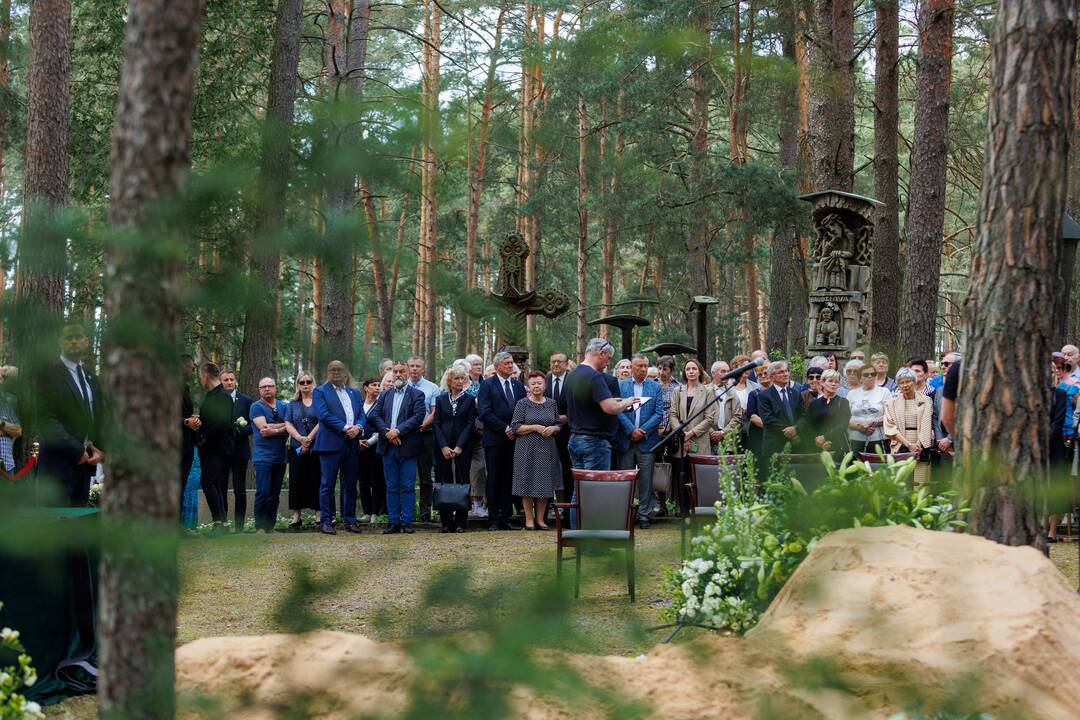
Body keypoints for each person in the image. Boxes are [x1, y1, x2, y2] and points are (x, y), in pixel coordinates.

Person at [35, 322, 106, 506]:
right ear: (60, 341)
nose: (74, 341)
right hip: (57, 467)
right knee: (55, 530)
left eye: (78, 337)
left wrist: (100, 449)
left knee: (77, 529)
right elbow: (47, 421)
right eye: (69, 337)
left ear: (86, 341)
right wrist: (76, 450)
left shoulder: (91, 378)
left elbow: (98, 417)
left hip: (85, 467)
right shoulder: (48, 374)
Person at [368, 364, 427, 534]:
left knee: (407, 486)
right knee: (391, 485)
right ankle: (393, 522)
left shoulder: (417, 394)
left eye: (402, 371)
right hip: (388, 447)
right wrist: (388, 433)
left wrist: (398, 431)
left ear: (407, 373)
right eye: (395, 372)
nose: (398, 374)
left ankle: (407, 522)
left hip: (407, 447)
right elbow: (374, 415)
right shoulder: (385, 395)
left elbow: (418, 417)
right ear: (391, 374)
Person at [312, 360, 365, 535]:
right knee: (327, 484)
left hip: (351, 444)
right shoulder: (320, 391)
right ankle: (327, 521)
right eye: (332, 370)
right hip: (330, 444)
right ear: (328, 373)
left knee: (350, 484)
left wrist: (358, 427)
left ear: (345, 372)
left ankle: (350, 520)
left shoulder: (354, 392)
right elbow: (323, 415)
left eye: (339, 370)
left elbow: (362, 414)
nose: (336, 372)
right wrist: (345, 428)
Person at [477, 351, 527, 530]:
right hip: (495, 439)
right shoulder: (487, 385)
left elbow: (523, 409)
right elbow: (484, 412)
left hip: (515, 439)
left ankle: (506, 518)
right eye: (506, 363)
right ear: (497, 366)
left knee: (509, 479)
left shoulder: (518, 386)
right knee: (494, 478)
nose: (510, 365)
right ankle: (493, 519)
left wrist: (516, 428)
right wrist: (505, 428)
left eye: (511, 362)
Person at [510, 371, 562, 530]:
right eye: (533, 384)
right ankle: (528, 519)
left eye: (539, 383)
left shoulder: (551, 403)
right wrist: (535, 427)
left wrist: (553, 428)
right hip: (526, 449)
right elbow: (515, 427)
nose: (536, 386)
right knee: (527, 482)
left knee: (544, 484)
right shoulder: (522, 404)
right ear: (528, 386)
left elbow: (559, 424)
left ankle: (540, 519)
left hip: (547, 449)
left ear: (545, 385)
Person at [616, 354, 663, 528]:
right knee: (625, 479)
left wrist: (641, 431)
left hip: (647, 441)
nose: (643, 369)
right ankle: (625, 514)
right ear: (632, 367)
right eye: (639, 366)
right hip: (625, 440)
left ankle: (644, 514)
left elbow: (659, 413)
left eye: (645, 366)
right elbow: (617, 410)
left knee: (646, 480)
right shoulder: (621, 386)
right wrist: (631, 430)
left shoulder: (655, 387)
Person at [667, 358, 717, 512]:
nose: (691, 372)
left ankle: (700, 511)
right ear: (684, 372)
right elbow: (673, 414)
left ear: (700, 371)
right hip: (681, 443)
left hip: (699, 442)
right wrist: (682, 435)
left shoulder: (708, 391)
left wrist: (691, 434)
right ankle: (684, 513)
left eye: (694, 369)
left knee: (699, 479)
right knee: (681, 478)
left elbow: (710, 418)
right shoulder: (678, 391)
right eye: (688, 369)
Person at [433, 367, 476, 533]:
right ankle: (446, 522)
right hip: (442, 446)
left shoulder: (470, 399)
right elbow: (436, 423)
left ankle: (460, 522)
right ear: (449, 381)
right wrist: (443, 446)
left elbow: (469, 424)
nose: (459, 381)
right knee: (444, 481)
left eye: (462, 379)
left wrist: (459, 446)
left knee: (463, 481)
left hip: (462, 446)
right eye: (456, 378)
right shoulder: (441, 399)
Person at [197, 361, 234, 532]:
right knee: (216, 484)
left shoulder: (222, 396)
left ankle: (218, 523)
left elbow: (223, 422)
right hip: (210, 448)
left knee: (208, 482)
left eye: (200, 376)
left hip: (218, 448)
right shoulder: (211, 395)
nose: (199, 380)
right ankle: (223, 524)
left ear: (205, 375)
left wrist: (204, 436)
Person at [249, 377, 288, 532]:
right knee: (263, 491)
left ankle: (270, 527)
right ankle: (260, 527)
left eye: (270, 386)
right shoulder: (256, 407)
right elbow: (264, 429)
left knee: (274, 494)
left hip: (280, 456)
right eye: (263, 386)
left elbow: (292, 426)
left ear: (275, 388)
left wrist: (276, 429)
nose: (267, 389)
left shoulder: (283, 406)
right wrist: (284, 426)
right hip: (263, 456)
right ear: (259, 390)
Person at [405, 357, 440, 523]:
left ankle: (426, 513)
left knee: (425, 476)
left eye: (417, 366)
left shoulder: (432, 388)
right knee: (406, 476)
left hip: (425, 434)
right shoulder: (401, 387)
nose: (414, 369)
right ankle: (407, 513)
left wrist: (422, 426)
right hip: (405, 436)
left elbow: (434, 412)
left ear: (423, 369)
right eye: (411, 366)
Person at [883, 368, 934, 484]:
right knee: (901, 481)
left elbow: (927, 423)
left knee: (920, 482)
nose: (905, 385)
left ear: (914, 381)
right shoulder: (891, 404)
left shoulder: (926, 400)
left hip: (921, 444)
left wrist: (918, 445)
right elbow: (890, 427)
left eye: (908, 381)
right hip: (900, 443)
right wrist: (908, 445)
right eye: (901, 382)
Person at [284, 371, 321, 529]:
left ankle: (319, 514)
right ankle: (296, 516)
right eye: (302, 382)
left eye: (308, 382)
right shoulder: (292, 404)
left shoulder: (319, 402)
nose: (305, 385)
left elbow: (322, 421)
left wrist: (309, 439)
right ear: (298, 385)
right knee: (296, 481)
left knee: (316, 479)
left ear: (313, 383)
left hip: (316, 447)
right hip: (296, 447)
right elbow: (288, 423)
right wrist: (300, 439)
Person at [220, 368, 254, 532]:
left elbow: (252, 424)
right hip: (220, 451)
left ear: (236, 381)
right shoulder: (215, 400)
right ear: (221, 382)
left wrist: (239, 431)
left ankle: (239, 527)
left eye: (231, 379)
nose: (229, 382)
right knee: (221, 488)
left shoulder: (246, 400)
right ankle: (223, 525)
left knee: (239, 489)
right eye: (225, 380)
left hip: (240, 450)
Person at [756, 361, 806, 469]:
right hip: (775, 445)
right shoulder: (764, 396)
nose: (785, 374)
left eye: (787, 371)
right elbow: (768, 419)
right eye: (781, 372)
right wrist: (790, 431)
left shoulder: (796, 393)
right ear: (772, 377)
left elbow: (803, 416)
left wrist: (796, 429)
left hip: (796, 443)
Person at [545, 351, 573, 511]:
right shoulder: (545, 381)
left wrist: (568, 418)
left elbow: (578, 405)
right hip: (546, 433)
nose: (556, 364)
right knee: (546, 470)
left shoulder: (573, 382)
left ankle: (568, 508)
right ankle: (545, 507)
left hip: (568, 433)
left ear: (566, 364)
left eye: (559, 362)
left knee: (567, 471)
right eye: (553, 361)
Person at [846, 362, 891, 455]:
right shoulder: (851, 394)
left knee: (878, 467)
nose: (870, 376)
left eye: (873, 374)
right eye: (866, 375)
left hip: (879, 439)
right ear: (860, 379)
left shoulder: (884, 392)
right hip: (856, 439)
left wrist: (872, 423)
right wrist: (859, 428)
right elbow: (845, 417)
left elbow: (890, 415)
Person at [357, 377, 385, 522]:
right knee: (363, 480)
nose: (377, 387)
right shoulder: (359, 405)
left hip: (375, 448)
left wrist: (369, 442)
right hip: (359, 448)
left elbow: (381, 427)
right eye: (374, 385)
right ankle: (366, 512)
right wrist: (358, 442)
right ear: (366, 388)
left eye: (379, 385)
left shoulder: (380, 405)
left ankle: (375, 512)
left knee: (376, 480)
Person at [464, 354, 487, 518]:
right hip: (463, 433)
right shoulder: (463, 384)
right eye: (475, 364)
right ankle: (463, 503)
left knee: (479, 468)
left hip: (481, 432)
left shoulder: (486, 384)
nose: (478, 367)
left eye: (480, 364)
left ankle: (478, 503)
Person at [808, 369, 850, 459]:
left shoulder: (843, 403)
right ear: (822, 382)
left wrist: (826, 438)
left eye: (836, 382)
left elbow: (843, 425)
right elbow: (809, 425)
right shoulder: (814, 403)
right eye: (830, 381)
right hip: (817, 447)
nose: (834, 384)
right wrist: (817, 440)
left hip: (837, 446)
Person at [708, 360, 745, 453]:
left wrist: (723, 433)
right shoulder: (704, 391)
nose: (727, 374)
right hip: (707, 440)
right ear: (713, 373)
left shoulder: (733, 392)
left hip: (729, 440)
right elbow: (700, 416)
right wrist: (712, 433)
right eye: (723, 371)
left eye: (728, 371)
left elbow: (737, 417)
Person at [179, 354, 200, 515]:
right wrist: (186, 421)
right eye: (192, 368)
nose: (193, 371)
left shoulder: (184, 388)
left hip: (187, 443)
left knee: (181, 485)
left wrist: (192, 418)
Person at [0, 366, 23, 477]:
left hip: (5, 466)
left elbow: (18, 430)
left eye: (4, 370)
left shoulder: (9, 403)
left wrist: (1, 424)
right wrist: (6, 430)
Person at [655, 355, 682, 439]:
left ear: (672, 370)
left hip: (673, 430)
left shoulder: (679, 387)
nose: (661, 372)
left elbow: (680, 410)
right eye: (659, 368)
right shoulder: (652, 384)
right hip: (653, 429)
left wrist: (670, 426)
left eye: (665, 369)